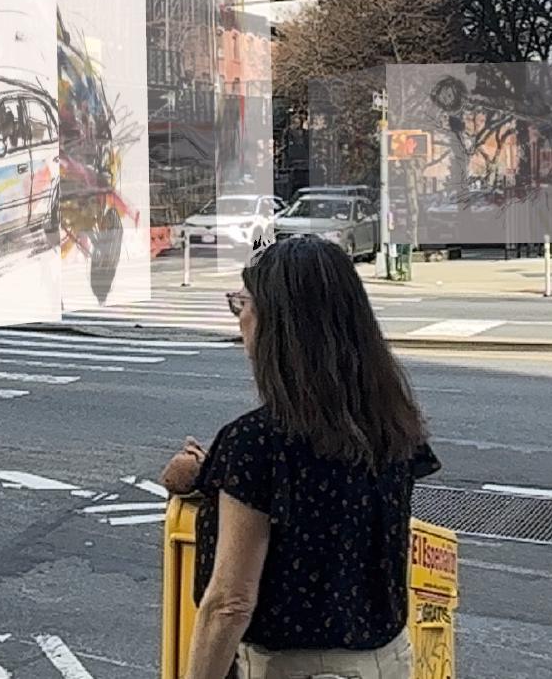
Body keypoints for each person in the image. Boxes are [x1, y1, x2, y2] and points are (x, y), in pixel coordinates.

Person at [160, 235, 440, 679]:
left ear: (279, 322)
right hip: (389, 660)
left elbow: (229, 604)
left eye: (242, 303)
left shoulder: (256, 442)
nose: (240, 319)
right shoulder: (392, 424)